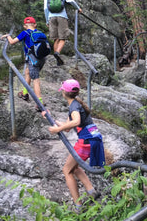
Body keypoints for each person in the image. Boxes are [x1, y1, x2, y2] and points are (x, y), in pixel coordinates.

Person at [48, 79, 103, 211]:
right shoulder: (77, 103)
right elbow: (68, 127)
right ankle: (91, 191)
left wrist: (57, 130)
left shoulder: (74, 106)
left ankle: (78, 206)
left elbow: (76, 121)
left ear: (64, 93)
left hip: (86, 142)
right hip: (93, 139)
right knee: (74, 166)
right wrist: (51, 119)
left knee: (67, 170)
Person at [1, 17, 46, 110]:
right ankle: (25, 93)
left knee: (36, 79)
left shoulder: (25, 33)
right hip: (42, 58)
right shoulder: (40, 33)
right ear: (35, 25)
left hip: (32, 59)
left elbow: (12, 42)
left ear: (24, 26)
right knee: (27, 72)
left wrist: (8, 36)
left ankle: (40, 103)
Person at [44, 0, 82, 66]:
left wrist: (47, 20)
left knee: (55, 38)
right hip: (62, 17)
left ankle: (56, 59)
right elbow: (70, 0)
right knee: (63, 38)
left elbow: (45, 8)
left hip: (51, 17)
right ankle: (57, 53)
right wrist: (78, 8)